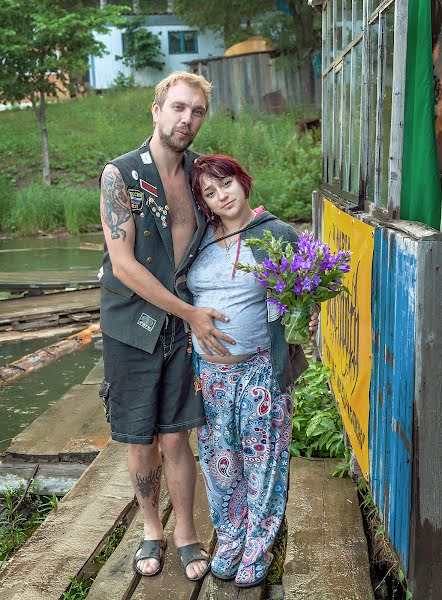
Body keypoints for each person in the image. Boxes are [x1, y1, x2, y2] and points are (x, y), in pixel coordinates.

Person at [98, 72, 236, 581]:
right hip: (132, 325)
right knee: (142, 438)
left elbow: (234, 217)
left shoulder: (202, 176)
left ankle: (186, 533)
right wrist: (191, 314)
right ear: (156, 110)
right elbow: (124, 264)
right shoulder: (121, 176)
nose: (187, 119)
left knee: (179, 437)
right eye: (179, 108)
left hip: (183, 323)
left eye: (197, 111)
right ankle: (151, 530)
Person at [187, 154, 319, 588]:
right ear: (203, 202)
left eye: (225, 184)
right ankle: (229, 538)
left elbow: (308, 290)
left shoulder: (277, 234)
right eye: (209, 192)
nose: (221, 195)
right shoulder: (200, 239)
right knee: (219, 464)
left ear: (243, 183)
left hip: (261, 371)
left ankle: (258, 548)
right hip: (210, 375)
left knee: (263, 463)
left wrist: (307, 314)